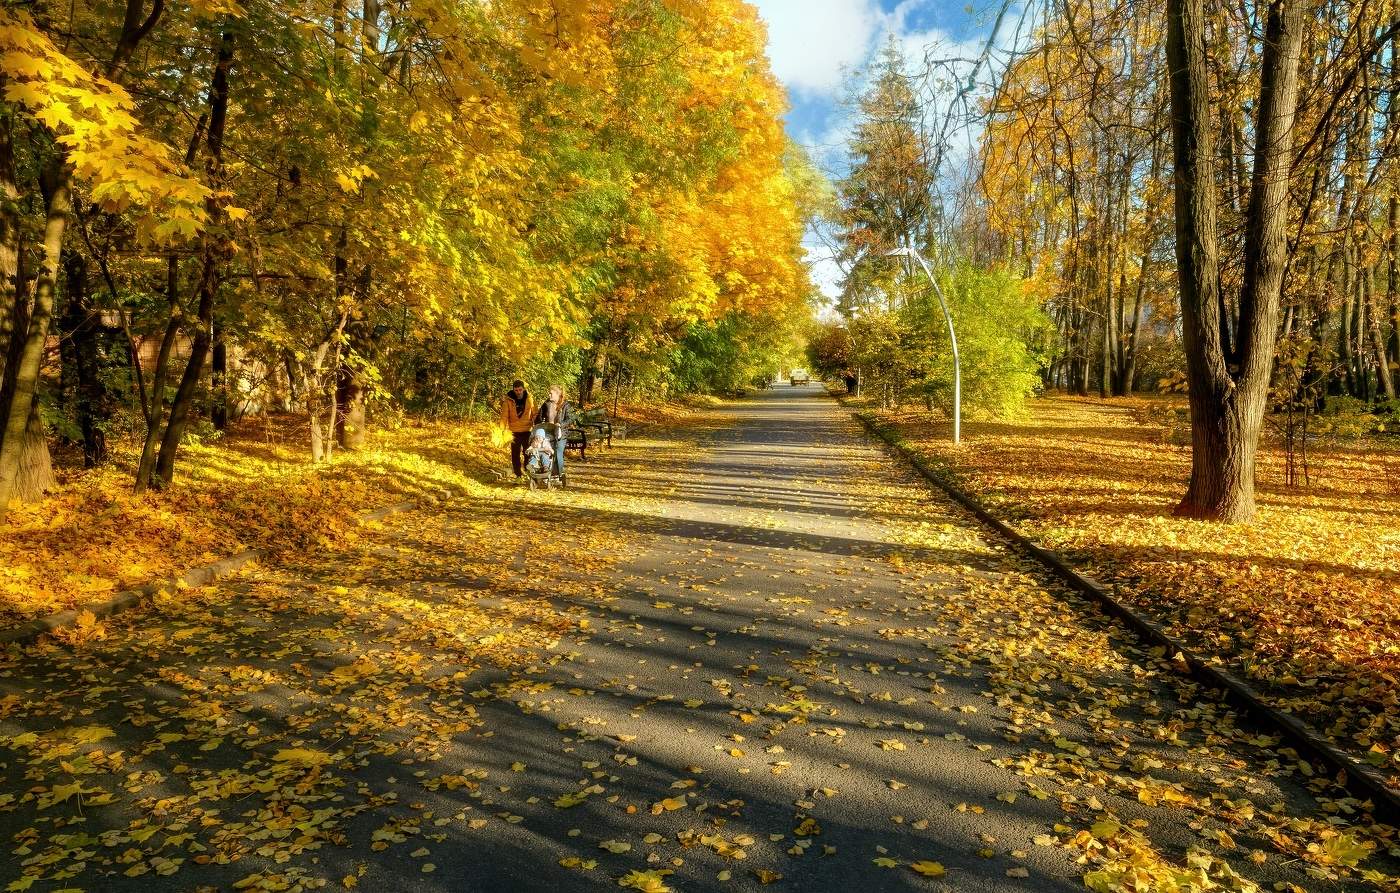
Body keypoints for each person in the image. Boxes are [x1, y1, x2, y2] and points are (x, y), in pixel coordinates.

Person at [534, 384, 574, 478]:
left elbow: (570, 419)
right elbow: (539, 417)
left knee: (558, 452)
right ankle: (544, 471)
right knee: (545, 451)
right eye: (549, 393)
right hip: (548, 432)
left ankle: (559, 474)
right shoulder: (546, 404)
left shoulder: (566, 405)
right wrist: (539, 425)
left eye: (551, 393)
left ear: (557, 394)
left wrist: (561, 424)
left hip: (561, 433)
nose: (549, 395)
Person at [501, 379, 535, 480]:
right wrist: (502, 430)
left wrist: (537, 426)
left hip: (527, 430)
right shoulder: (508, 401)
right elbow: (504, 416)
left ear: (523, 389)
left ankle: (527, 471)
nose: (518, 392)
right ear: (513, 390)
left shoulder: (530, 399)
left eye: (520, 390)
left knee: (527, 453)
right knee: (515, 454)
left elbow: (535, 413)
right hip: (514, 431)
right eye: (516, 390)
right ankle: (518, 474)